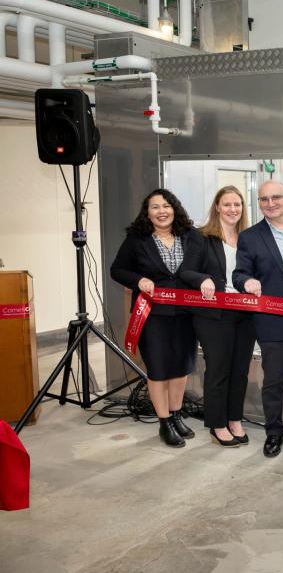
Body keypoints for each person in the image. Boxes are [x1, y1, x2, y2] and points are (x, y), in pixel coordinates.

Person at [110, 189, 198, 447]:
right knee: (159, 369)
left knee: (181, 367)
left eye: (166, 206)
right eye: (155, 207)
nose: (162, 211)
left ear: (175, 208)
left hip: (185, 312)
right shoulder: (137, 239)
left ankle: (176, 413)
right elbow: (117, 270)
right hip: (152, 315)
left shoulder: (190, 236)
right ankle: (164, 422)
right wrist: (139, 279)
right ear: (147, 213)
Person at [233, 181, 283, 458]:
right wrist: (248, 281)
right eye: (264, 199)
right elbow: (239, 273)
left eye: (276, 197)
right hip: (273, 321)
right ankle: (274, 432)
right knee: (273, 381)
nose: (271, 203)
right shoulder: (251, 237)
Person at [180, 186, 257, 448]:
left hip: (245, 313)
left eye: (237, 204)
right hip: (214, 315)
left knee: (240, 371)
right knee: (219, 369)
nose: (233, 209)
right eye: (227, 204)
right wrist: (204, 279)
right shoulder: (201, 237)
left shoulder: (248, 237)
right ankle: (217, 424)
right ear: (217, 207)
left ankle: (234, 418)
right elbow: (186, 272)